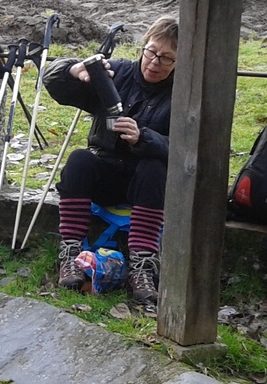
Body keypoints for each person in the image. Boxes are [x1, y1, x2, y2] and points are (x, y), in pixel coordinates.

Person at [43, 15, 178, 305]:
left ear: (179, 62)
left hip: (148, 184)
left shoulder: (184, 93)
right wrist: (73, 70)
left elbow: (188, 150)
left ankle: (142, 266)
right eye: (151, 52)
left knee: (154, 168)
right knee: (79, 160)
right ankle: (71, 255)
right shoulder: (118, 73)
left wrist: (144, 138)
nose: (155, 62)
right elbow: (53, 83)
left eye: (166, 58)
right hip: (107, 171)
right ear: (143, 46)